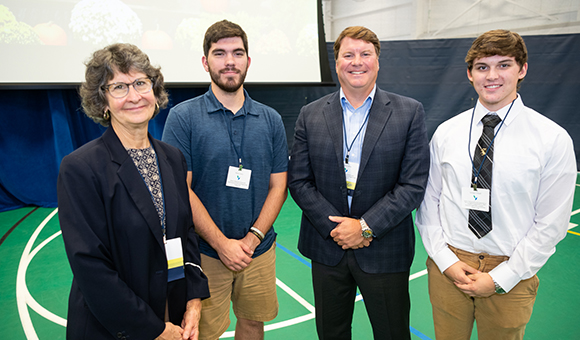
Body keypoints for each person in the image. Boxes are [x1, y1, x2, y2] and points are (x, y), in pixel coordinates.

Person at [416, 29, 577, 340]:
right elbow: (429, 202)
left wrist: (503, 276)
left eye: (504, 65)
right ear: (470, 73)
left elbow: (552, 223)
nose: (492, 76)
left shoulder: (551, 138)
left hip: (512, 272)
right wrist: (446, 261)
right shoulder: (446, 133)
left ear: (522, 69)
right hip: (449, 267)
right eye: (482, 67)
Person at [57, 43, 210, 340]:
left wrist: (193, 300)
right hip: (116, 327)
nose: (135, 96)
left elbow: (185, 234)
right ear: (102, 101)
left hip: (173, 314)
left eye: (141, 83)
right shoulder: (80, 168)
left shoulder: (173, 157)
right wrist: (152, 329)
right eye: (119, 87)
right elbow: (91, 267)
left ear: (154, 90)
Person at [288, 26, 430, 339]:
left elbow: (413, 184)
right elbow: (299, 181)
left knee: (392, 332)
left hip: (385, 248)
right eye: (348, 55)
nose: (357, 62)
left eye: (365, 54)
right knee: (331, 332)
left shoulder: (409, 112)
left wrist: (364, 227)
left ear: (378, 62)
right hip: (327, 247)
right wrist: (339, 230)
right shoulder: (310, 114)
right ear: (336, 62)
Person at [162, 20, 288, 340]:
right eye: (219, 53)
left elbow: (278, 186)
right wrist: (222, 245)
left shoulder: (271, 119)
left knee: (253, 322)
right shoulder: (183, 117)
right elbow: (181, 190)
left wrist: (251, 240)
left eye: (237, 53)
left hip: (257, 250)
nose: (229, 61)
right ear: (206, 62)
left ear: (248, 60)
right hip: (204, 253)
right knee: (202, 332)